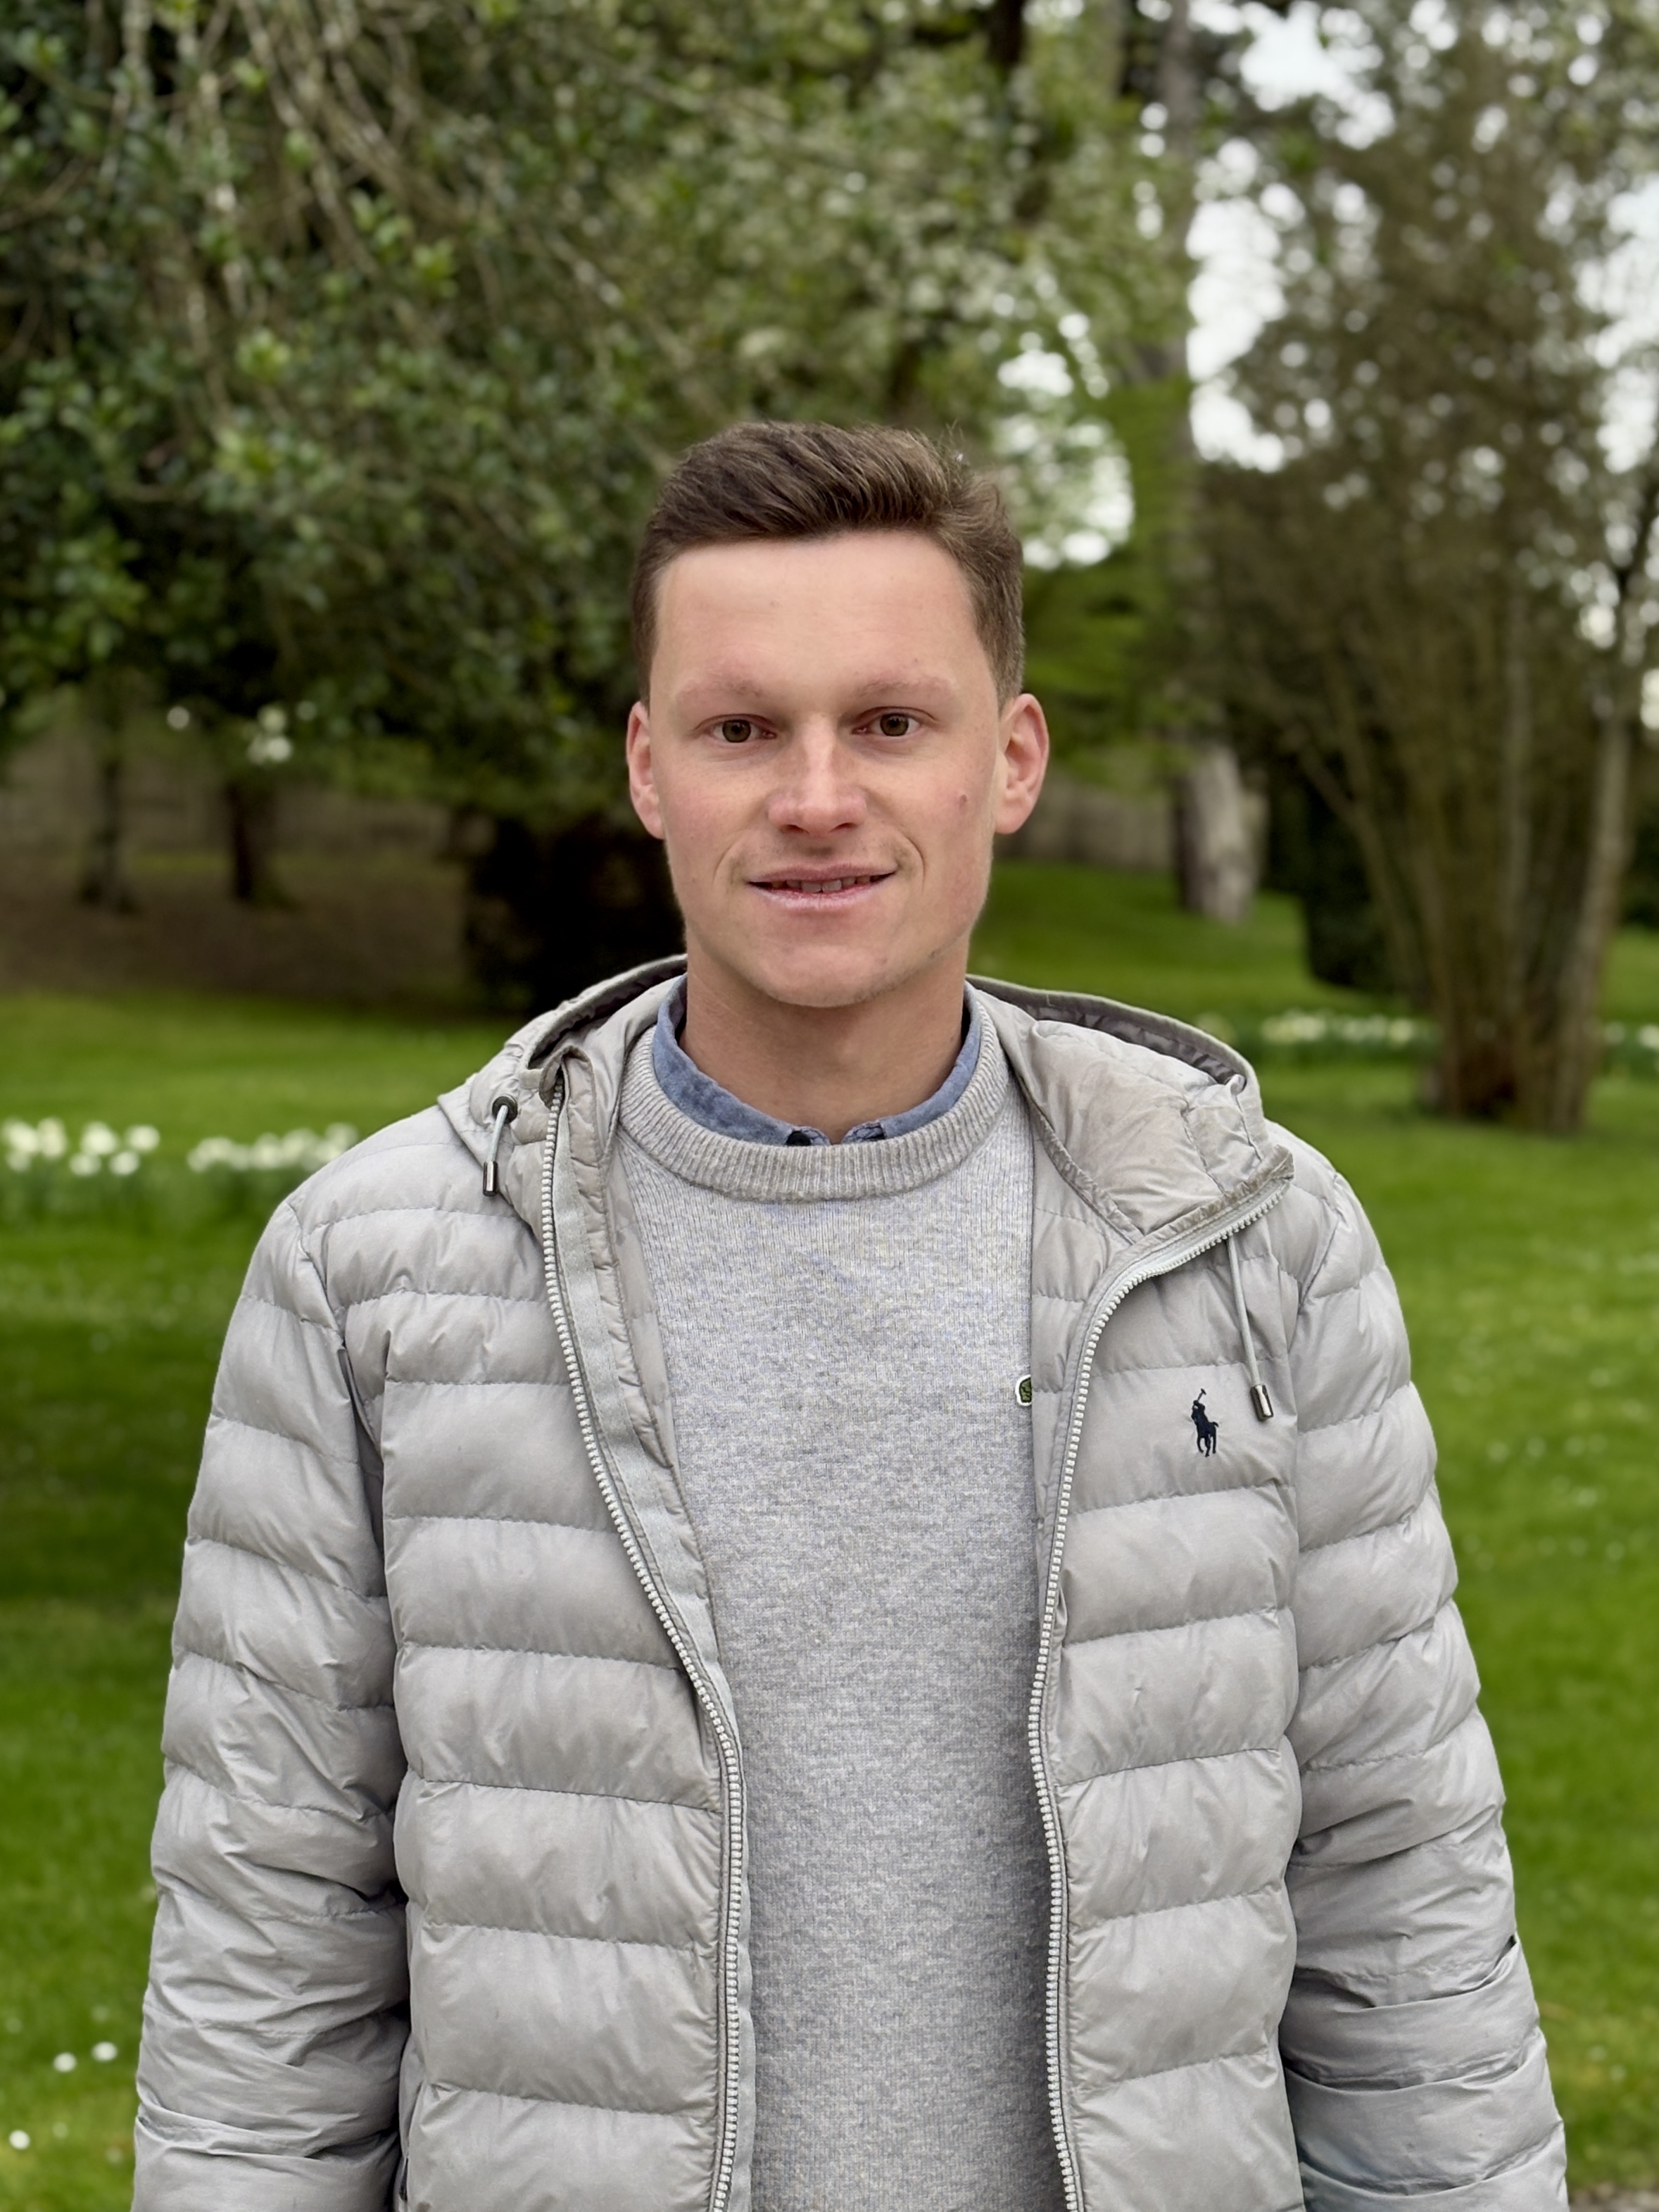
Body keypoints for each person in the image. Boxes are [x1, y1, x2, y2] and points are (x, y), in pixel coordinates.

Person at [133, 422, 1567, 2212]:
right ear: (650, 768)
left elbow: (1403, 1897)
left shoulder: (1255, 1244)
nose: (817, 796)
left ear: (1010, 758)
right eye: (743, 728)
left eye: (890, 721)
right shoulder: (378, 1268)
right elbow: (267, 1948)